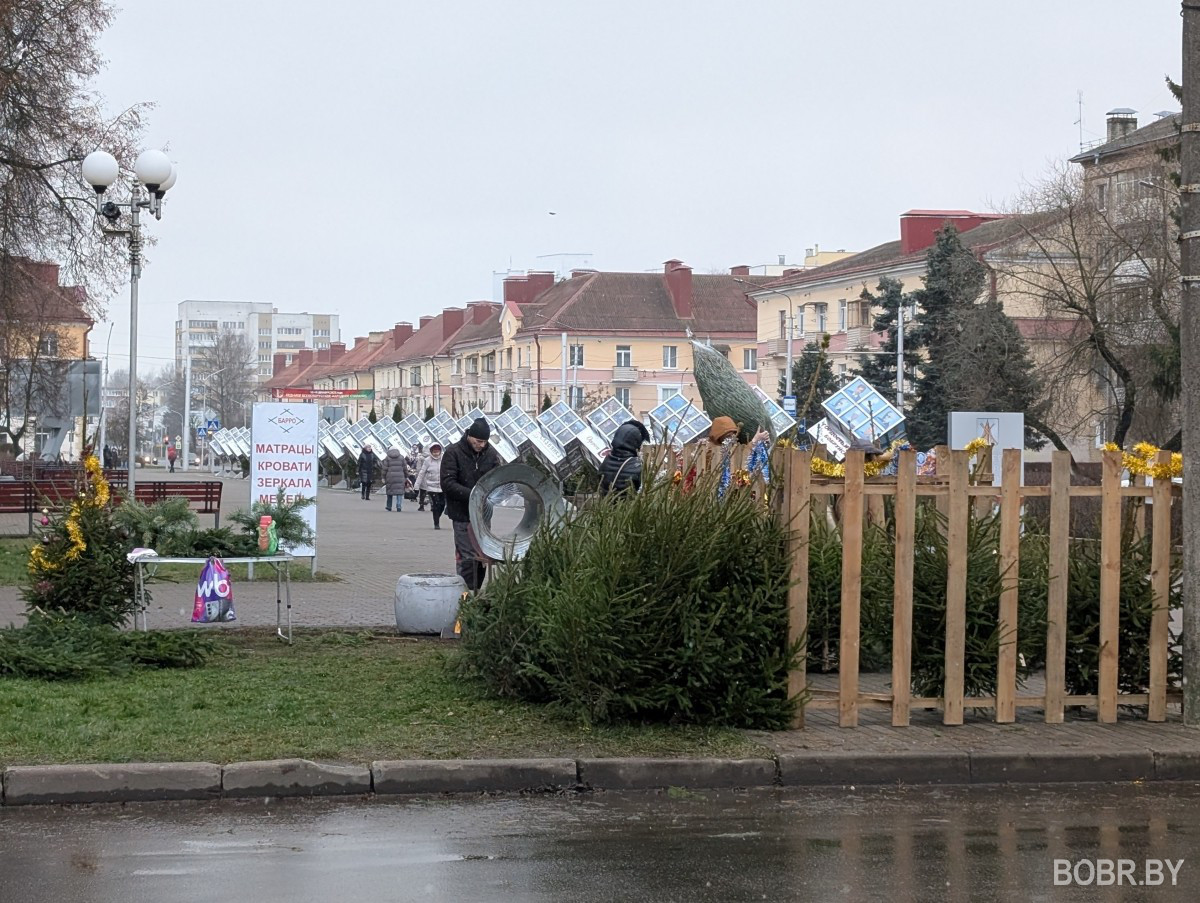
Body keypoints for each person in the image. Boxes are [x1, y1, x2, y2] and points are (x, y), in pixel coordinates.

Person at [441, 417, 501, 591]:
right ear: (469, 436)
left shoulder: (490, 455)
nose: (481, 445)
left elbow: (496, 478)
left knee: (482, 557)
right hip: (461, 514)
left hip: (482, 515)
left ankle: (475, 592)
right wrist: (473, 495)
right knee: (467, 558)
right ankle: (464, 595)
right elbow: (447, 483)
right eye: (478, 441)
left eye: (484, 442)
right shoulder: (453, 452)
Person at [599, 419, 650, 497]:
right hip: (627, 507)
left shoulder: (606, 461)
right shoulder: (637, 465)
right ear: (636, 441)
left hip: (605, 507)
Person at [414, 442, 445, 529]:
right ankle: (436, 523)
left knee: (442, 504)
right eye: (434, 452)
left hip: (442, 486)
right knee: (436, 504)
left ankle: (437, 517)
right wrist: (416, 487)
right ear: (431, 452)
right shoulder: (427, 460)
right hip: (431, 486)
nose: (436, 454)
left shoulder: (444, 459)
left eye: (437, 452)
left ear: (440, 451)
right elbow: (421, 473)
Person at [378, 446, 408, 512]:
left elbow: (384, 469)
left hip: (390, 477)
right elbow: (405, 468)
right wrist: (406, 476)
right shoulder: (401, 457)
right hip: (400, 476)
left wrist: (383, 477)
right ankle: (399, 506)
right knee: (399, 492)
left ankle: (389, 506)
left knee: (389, 492)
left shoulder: (387, 458)